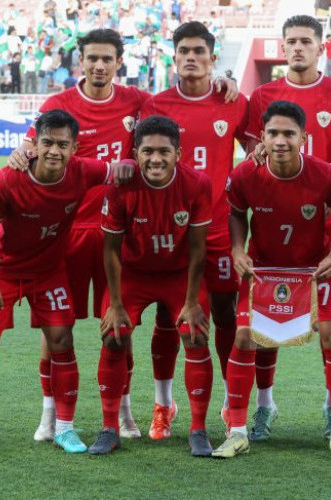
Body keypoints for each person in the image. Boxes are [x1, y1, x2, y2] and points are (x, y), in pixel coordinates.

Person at [10, 28, 152, 442]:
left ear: (119, 61)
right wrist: (20, 152)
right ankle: (49, 415)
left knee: (118, 330)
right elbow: (29, 150)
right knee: (56, 329)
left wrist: (223, 81)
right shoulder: (58, 104)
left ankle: (124, 413)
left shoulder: (136, 102)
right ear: (81, 61)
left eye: (107, 58)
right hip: (66, 233)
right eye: (92, 58)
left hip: (116, 235)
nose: (99, 65)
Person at [212, 100, 331, 460]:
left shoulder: (325, 174)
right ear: (261, 136)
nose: (280, 140)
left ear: (303, 137)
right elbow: (235, 212)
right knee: (245, 338)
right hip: (263, 268)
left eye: (289, 133)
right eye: (273, 133)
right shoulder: (247, 173)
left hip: (312, 271)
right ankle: (237, 431)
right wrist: (237, 249)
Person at [0, 109, 117, 455]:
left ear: (75, 148)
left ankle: (63, 429)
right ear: (33, 143)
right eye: (47, 142)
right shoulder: (7, 179)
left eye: (62, 145)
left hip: (49, 272)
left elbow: (122, 169)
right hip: (3, 271)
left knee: (62, 340)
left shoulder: (83, 171)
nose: (54, 151)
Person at [244, 14, 331, 441]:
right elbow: (255, 159)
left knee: (330, 328)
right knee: (264, 329)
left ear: (320, 46)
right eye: (290, 41)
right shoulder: (263, 95)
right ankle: (264, 407)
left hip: (323, 231)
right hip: (272, 229)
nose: (296, 48)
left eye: (305, 41)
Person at [139, 21, 249, 441]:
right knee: (169, 317)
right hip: (168, 231)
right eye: (183, 50)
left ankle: (227, 399)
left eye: (199, 51)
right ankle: (164, 404)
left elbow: (256, 148)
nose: (190, 57)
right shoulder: (155, 105)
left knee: (223, 314)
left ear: (212, 56)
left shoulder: (233, 101)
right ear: (174, 56)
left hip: (219, 230)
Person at [88, 115, 215, 456]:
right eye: (147, 151)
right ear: (136, 153)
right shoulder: (120, 187)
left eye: (164, 151)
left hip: (179, 274)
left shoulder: (197, 184)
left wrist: (191, 302)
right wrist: (115, 305)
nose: (155, 159)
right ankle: (109, 428)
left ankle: (198, 429)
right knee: (114, 336)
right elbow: (111, 251)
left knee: (195, 331)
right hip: (133, 273)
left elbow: (198, 249)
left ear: (179, 154)